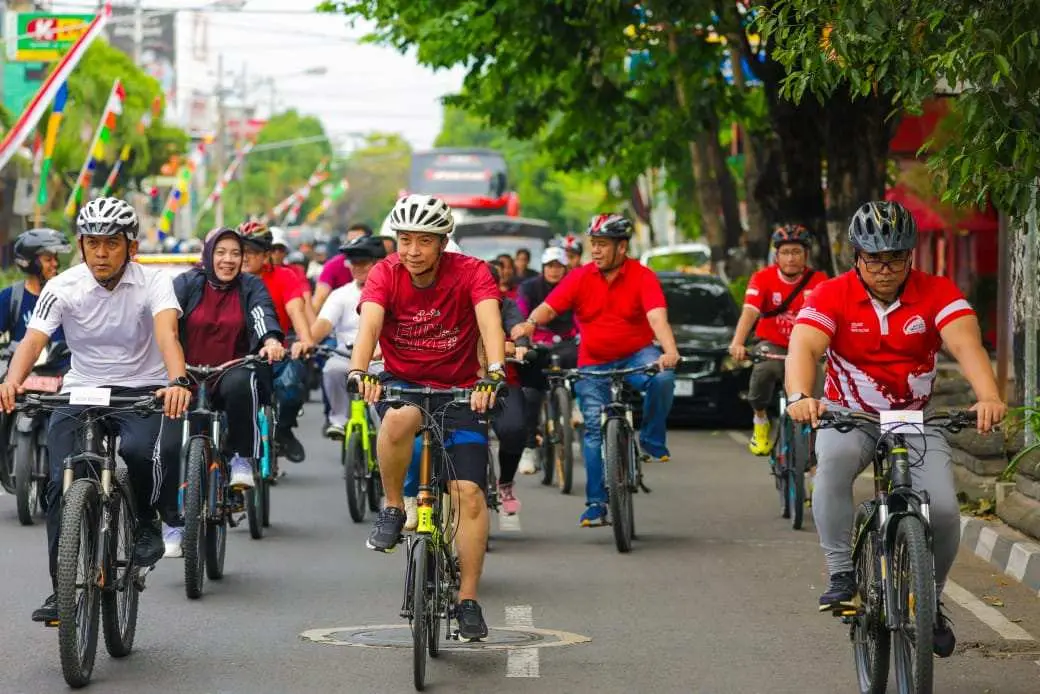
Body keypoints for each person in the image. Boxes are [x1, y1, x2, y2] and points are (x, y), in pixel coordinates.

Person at [786, 200, 1006, 658]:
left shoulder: (937, 291)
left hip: (913, 418)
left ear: (911, 255)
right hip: (850, 415)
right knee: (833, 465)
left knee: (944, 511)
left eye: (896, 257)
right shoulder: (831, 293)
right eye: (874, 259)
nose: (885, 269)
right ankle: (841, 573)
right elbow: (804, 348)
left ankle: (931, 599)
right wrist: (800, 395)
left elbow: (966, 346)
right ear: (856, 257)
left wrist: (987, 396)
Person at [0, 197, 192, 623]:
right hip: (82, 389)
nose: (101, 253)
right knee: (58, 487)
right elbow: (33, 340)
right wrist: (12, 380)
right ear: (81, 247)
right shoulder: (62, 286)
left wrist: (176, 381)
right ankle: (61, 591)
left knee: (143, 452)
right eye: (92, 243)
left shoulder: (154, 283)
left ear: (131, 247)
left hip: (141, 389)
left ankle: (145, 519)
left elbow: (167, 335)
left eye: (111, 243)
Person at [349, 193, 506, 640]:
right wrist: (360, 370)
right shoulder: (385, 273)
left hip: (462, 394)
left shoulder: (472, 272)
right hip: (404, 386)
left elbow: (491, 325)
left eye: (423, 241)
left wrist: (493, 375)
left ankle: (469, 599)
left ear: (442, 243)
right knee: (398, 418)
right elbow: (370, 326)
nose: (412, 250)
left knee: (469, 494)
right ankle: (394, 507)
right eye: (404, 240)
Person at [512, 213, 679, 526]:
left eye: (603, 244)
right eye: (594, 245)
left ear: (622, 247)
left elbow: (657, 317)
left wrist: (669, 351)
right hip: (593, 359)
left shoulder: (643, 276)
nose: (597, 251)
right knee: (591, 429)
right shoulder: (580, 276)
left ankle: (653, 440)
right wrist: (531, 324)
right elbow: (549, 307)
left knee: (664, 379)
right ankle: (596, 504)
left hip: (637, 355)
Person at [164, 227, 286, 556]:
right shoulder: (187, 284)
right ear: (208, 254)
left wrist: (270, 341)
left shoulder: (251, 286)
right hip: (186, 375)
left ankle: (240, 457)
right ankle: (172, 522)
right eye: (221, 252)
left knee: (242, 383)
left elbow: (262, 315)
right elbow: (164, 322)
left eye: (235, 253)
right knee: (169, 444)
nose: (228, 260)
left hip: (231, 369)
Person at [728, 224, 826, 455]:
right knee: (765, 369)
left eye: (796, 252)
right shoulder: (762, 278)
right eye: (785, 252)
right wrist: (738, 343)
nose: (791, 258)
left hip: (808, 351)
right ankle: (760, 420)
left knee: (819, 404)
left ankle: (813, 466)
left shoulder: (819, 280)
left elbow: (830, 317)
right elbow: (750, 312)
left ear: (806, 255)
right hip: (772, 345)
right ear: (776, 255)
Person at [238, 221, 316, 462]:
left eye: (252, 252)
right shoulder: (229, 278)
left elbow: (296, 311)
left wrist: (304, 340)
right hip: (237, 355)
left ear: (266, 255)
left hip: (276, 350)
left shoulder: (285, 277)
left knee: (292, 386)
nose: (244, 258)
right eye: (241, 251)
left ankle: (283, 430)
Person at [312, 235, 387, 438]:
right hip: (345, 354)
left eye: (363, 262)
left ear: (378, 263)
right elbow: (323, 324)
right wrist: (306, 342)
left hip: (381, 359)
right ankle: (339, 420)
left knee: (381, 398)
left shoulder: (393, 290)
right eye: (353, 262)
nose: (357, 267)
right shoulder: (341, 294)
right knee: (331, 369)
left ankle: (384, 436)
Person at [514, 246, 578, 473]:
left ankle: (575, 406)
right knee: (530, 395)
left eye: (558, 266)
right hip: (536, 345)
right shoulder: (528, 287)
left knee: (585, 370)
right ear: (543, 267)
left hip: (568, 343)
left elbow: (582, 316)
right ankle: (529, 447)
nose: (554, 270)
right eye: (550, 265)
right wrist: (522, 342)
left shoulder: (574, 285)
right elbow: (520, 315)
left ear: (565, 268)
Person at [0, 229, 70, 350]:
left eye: (55, 258)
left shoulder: (67, 294)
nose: (55, 264)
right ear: (31, 264)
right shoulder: (11, 297)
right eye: (48, 259)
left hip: (66, 367)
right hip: (28, 368)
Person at [313, 223, 372, 312]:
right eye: (349, 242)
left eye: (358, 242)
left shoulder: (380, 264)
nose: (353, 246)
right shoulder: (334, 265)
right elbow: (319, 299)